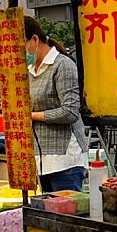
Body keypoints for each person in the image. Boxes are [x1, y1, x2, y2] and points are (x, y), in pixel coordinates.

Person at [25, 16, 88, 192]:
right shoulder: (29, 71)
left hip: (65, 160)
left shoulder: (63, 65)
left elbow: (70, 111)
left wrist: (32, 116)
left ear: (35, 39)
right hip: (41, 159)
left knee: (66, 214)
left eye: (19, 48)